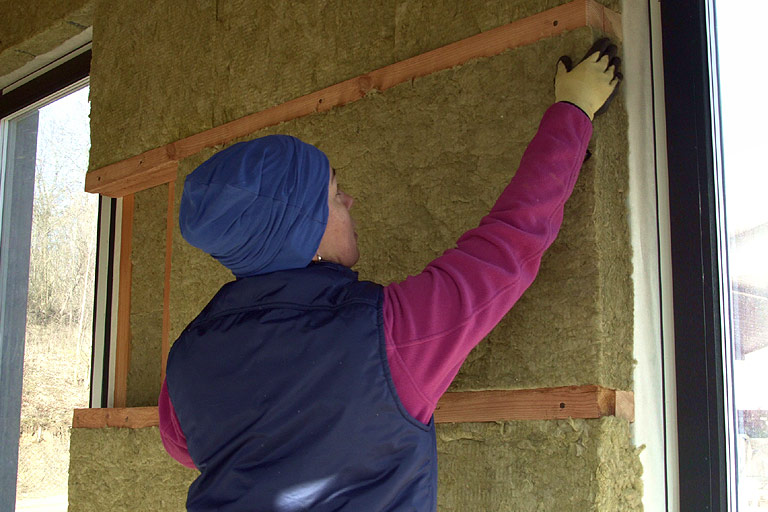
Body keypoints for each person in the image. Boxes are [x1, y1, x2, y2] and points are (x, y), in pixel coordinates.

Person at [158, 39, 622, 511]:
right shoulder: (387, 337)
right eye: (336, 194)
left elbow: (183, 447)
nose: (350, 202)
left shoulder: (185, 360)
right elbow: (510, 245)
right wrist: (573, 110)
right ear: (303, 229)